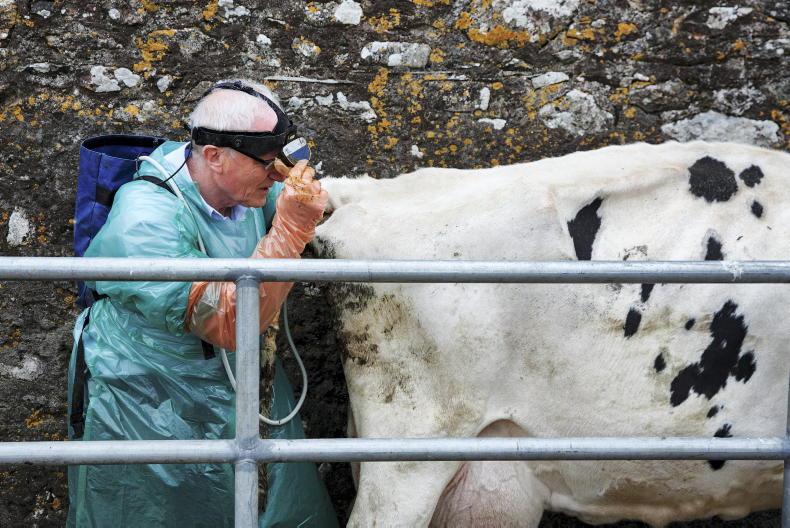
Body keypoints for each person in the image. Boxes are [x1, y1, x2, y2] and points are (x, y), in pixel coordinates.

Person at [66, 79, 337, 527]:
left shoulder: (242, 185)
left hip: (243, 385)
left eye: (280, 163)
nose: (276, 177)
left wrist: (302, 186)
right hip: (152, 395)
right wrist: (289, 230)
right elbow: (229, 320)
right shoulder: (145, 216)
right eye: (269, 164)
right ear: (213, 155)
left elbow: (318, 210)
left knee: (278, 512)